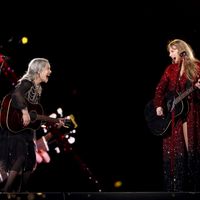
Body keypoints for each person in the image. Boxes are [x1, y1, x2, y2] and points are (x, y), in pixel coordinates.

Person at [0, 57, 63, 192]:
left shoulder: (38, 88)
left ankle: (22, 192)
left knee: (31, 161)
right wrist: (24, 112)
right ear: (38, 70)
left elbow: (34, 113)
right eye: (48, 68)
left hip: (27, 129)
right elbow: (16, 94)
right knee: (21, 156)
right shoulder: (27, 83)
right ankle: (5, 190)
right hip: (17, 126)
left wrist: (54, 122)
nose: (50, 72)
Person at [152, 39, 200, 192]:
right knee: (176, 154)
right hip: (174, 117)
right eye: (169, 52)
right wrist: (159, 105)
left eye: (172, 51)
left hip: (192, 113)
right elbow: (160, 89)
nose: (170, 54)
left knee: (192, 150)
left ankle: (195, 188)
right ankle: (178, 190)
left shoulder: (196, 66)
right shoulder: (170, 70)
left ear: (181, 50)